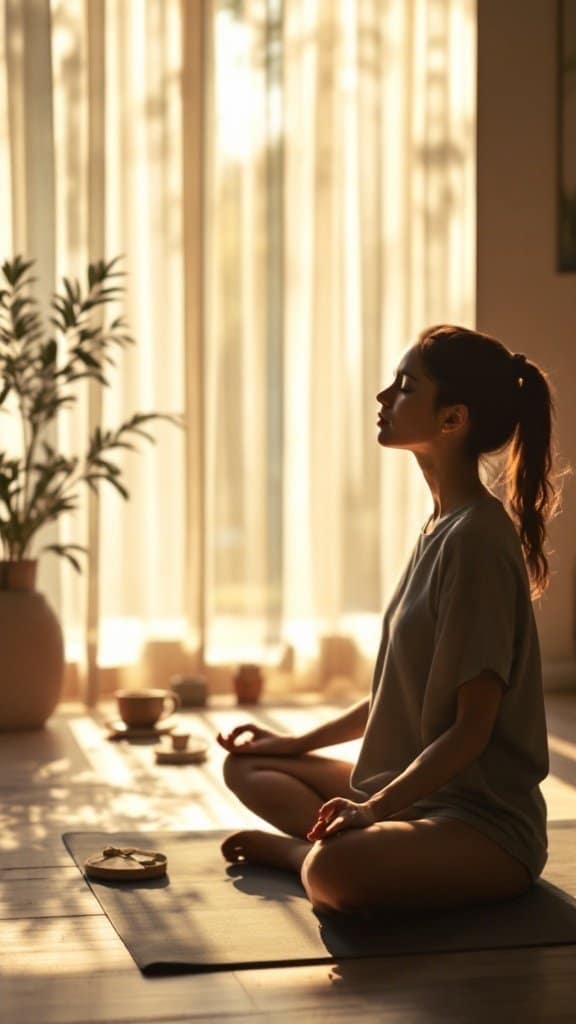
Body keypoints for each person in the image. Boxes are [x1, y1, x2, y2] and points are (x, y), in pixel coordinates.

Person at [217, 324, 568, 917]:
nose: (384, 398)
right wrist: (296, 742)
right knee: (250, 764)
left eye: (405, 387)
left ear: (452, 420)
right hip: (415, 796)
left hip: (481, 826)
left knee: (334, 873)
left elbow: (471, 730)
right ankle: (346, 845)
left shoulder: (478, 541)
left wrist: (373, 808)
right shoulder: (440, 525)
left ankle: (305, 856)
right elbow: (393, 695)